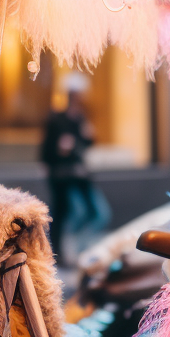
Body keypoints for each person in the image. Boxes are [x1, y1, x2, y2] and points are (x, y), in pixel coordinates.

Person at [42, 74, 100, 264]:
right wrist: (59, 150)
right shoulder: (57, 119)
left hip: (79, 176)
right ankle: (61, 252)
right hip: (62, 177)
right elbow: (45, 152)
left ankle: (78, 248)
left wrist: (88, 137)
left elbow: (85, 146)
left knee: (94, 212)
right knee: (61, 214)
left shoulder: (80, 119)